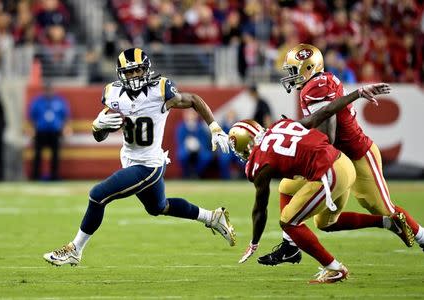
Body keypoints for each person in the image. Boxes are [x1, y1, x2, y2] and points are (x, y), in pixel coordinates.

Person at [43, 47, 236, 266]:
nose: (134, 76)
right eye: (129, 72)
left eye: (138, 71)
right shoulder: (112, 93)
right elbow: (99, 136)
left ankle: (75, 249)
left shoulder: (161, 90)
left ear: (147, 70)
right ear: (120, 74)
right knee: (157, 207)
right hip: (130, 160)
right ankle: (211, 217)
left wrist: (214, 127)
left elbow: (193, 99)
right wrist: (98, 126)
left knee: (97, 195)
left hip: (149, 165)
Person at [230, 83, 414, 283]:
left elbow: (260, 209)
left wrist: (254, 242)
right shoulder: (279, 126)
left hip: (329, 174)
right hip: (343, 163)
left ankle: (335, 269)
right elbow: (323, 113)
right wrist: (358, 93)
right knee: (321, 219)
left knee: (288, 221)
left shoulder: (259, 162)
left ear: (245, 145)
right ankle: (386, 222)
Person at [259, 43, 424, 266]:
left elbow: (329, 133)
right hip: (337, 158)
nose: (290, 76)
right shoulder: (319, 82)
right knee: (322, 220)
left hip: (356, 156)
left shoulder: (316, 87)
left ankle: (421, 237)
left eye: (294, 71)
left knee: (386, 207)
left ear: (309, 68)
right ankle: (290, 247)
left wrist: (298, 135)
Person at [28, 81, 71, 181]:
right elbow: (32, 117)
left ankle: (54, 175)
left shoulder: (60, 101)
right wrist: (32, 130)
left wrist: (65, 129)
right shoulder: (37, 101)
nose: (48, 92)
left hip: (55, 132)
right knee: (37, 154)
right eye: (46, 90)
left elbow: (65, 117)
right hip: (40, 132)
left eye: (50, 90)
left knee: (55, 155)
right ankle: (36, 175)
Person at [175, 109, 213, 179]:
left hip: (200, 149)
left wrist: (198, 145)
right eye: (189, 115)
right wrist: (187, 145)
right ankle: (186, 174)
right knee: (182, 155)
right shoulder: (181, 127)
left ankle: (197, 173)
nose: (191, 117)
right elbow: (180, 141)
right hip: (186, 148)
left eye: (192, 115)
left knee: (206, 156)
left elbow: (205, 141)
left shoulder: (200, 127)